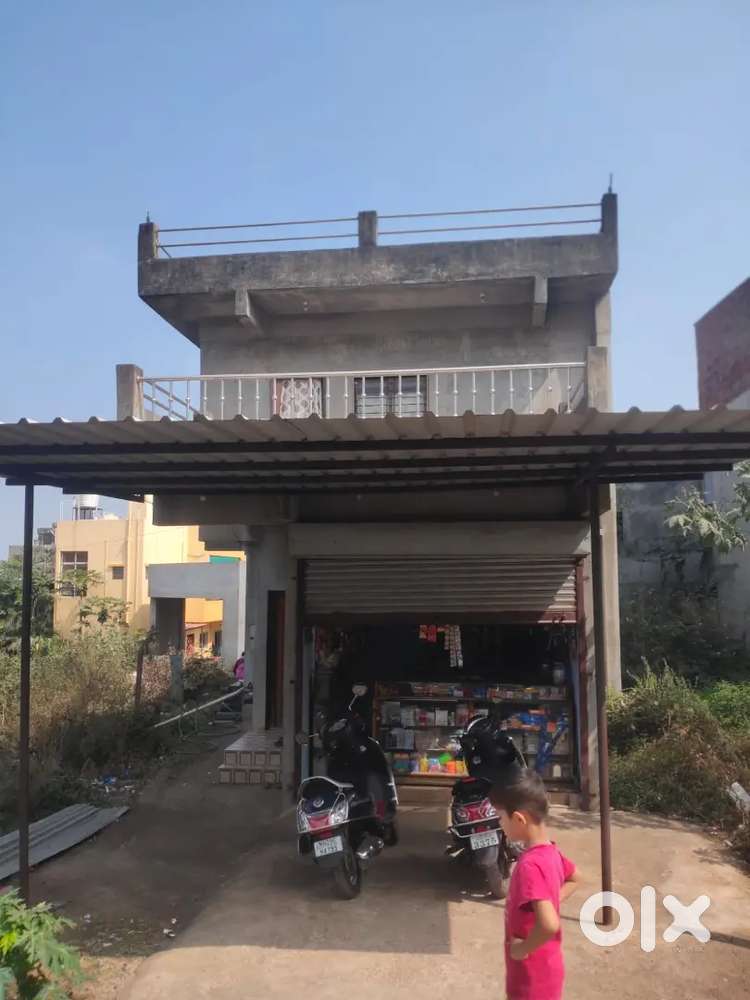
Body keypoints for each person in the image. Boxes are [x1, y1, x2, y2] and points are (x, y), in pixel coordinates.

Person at [490, 770, 580, 1000]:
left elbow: (549, 925)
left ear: (519, 819)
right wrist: (552, 900)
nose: (499, 823)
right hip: (548, 969)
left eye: (500, 817)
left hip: (531, 979)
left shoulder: (530, 866)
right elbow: (575, 878)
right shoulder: (550, 851)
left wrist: (521, 949)